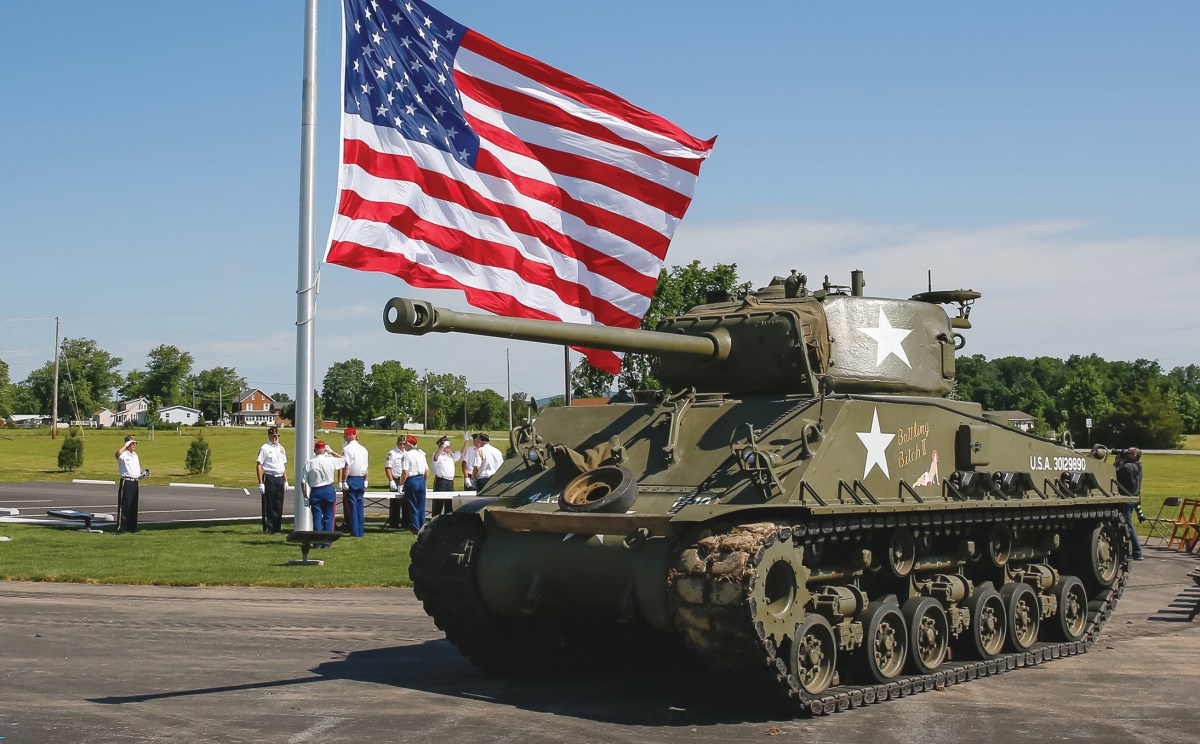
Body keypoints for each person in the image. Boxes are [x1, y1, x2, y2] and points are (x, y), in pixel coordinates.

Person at [301, 440, 345, 534]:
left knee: (317, 516)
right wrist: (332, 452)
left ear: (314, 450)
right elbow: (344, 460)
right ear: (325, 450)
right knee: (329, 516)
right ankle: (327, 540)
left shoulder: (310, 463)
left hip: (316, 490)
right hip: (328, 489)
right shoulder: (330, 460)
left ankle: (318, 541)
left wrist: (305, 496)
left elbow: (303, 481)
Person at [255, 426, 288, 534]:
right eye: (274, 436)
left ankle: (277, 527)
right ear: (269, 436)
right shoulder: (265, 448)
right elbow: (259, 465)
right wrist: (261, 483)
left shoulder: (281, 448)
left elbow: (282, 465)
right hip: (270, 477)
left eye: (277, 436)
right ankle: (270, 527)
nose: (276, 438)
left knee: (279, 503)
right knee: (270, 504)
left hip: (280, 477)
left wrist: (286, 480)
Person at [1115, 447, 1145, 560]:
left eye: (1130, 452)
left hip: (1126, 499)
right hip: (1134, 498)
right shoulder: (1138, 466)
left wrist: (1118, 461)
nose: (1127, 453)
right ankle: (1134, 551)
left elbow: (1114, 472)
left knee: (1128, 525)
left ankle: (1137, 552)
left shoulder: (1127, 467)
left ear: (1134, 456)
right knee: (1128, 524)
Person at [340, 427, 369, 537]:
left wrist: (343, 480)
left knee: (352, 507)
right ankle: (361, 531)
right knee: (360, 506)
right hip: (361, 478)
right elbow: (366, 467)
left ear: (348, 436)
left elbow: (346, 466)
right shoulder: (363, 449)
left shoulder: (347, 449)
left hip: (351, 478)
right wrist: (366, 479)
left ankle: (355, 531)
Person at [399, 435, 429, 534]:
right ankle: (423, 526)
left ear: (408, 445)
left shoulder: (407, 455)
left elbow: (405, 472)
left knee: (413, 506)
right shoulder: (421, 454)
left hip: (412, 480)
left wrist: (401, 484)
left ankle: (416, 528)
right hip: (421, 480)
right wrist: (425, 482)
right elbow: (427, 471)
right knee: (421, 506)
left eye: (405, 444)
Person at [114, 435, 143, 533]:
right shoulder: (124, 454)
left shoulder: (135, 455)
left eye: (135, 443)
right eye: (132, 443)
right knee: (125, 505)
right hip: (126, 482)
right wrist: (125, 445)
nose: (134, 444)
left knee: (133, 505)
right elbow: (117, 455)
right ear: (127, 444)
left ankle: (132, 527)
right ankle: (121, 527)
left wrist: (141, 474)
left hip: (135, 482)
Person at [384, 435, 408, 529]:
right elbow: (388, 468)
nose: (402, 445)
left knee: (406, 503)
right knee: (395, 503)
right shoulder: (392, 453)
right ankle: (394, 522)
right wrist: (391, 481)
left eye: (404, 443)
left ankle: (405, 523)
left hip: (406, 479)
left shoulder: (408, 453)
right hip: (396, 479)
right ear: (397, 443)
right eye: (400, 443)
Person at [430, 436, 457, 517]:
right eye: (447, 446)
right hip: (441, 481)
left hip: (450, 481)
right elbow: (435, 458)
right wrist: (442, 446)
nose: (449, 447)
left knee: (449, 504)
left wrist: (466, 441)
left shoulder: (449, 456)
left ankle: (448, 522)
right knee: (438, 503)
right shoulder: (437, 454)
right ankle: (435, 521)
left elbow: (461, 453)